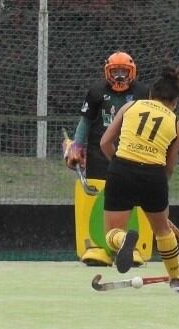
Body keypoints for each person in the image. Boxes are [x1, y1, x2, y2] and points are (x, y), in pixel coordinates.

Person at [99, 66, 179, 293]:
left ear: (150, 95)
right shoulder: (177, 124)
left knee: (111, 233)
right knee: (163, 232)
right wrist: (159, 188)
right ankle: (177, 280)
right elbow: (169, 166)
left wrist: (117, 166)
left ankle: (123, 241)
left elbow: (105, 143)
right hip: (154, 175)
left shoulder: (131, 106)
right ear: (175, 102)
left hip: (122, 169)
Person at [64, 51, 150, 266]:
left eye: (124, 72)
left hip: (133, 153)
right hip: (99, 153)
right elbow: (85, 121)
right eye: (115, 72)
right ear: (107, 72)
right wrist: (76, 145)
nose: (119, 76)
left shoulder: (143, 92)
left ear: (132, 72)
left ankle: (134, 247)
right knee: (99, 196)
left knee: (134, 198)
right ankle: (99, 247)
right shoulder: (95, 92)